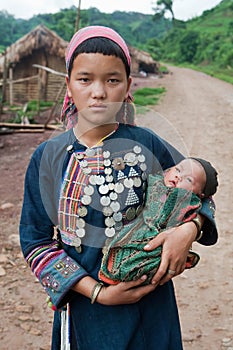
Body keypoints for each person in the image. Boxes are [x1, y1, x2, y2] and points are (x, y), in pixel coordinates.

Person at [19, 26, 218, 350]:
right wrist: (99, 293)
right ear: (68, 84)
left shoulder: (147, 144)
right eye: (85, 79)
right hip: (88, 313)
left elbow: (201, 194)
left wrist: (189, 230)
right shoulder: (48, 158)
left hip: (153, 310)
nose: (99, 92)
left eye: (112, 80)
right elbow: (35, 241)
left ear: (127, 85)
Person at [99, 157, 218, 285]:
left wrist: (192, 227)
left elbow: (207, 196)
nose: (179, 176)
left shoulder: (151, 143)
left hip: (154, 241)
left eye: (189, 179)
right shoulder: (159, 179)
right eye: (177, 170)